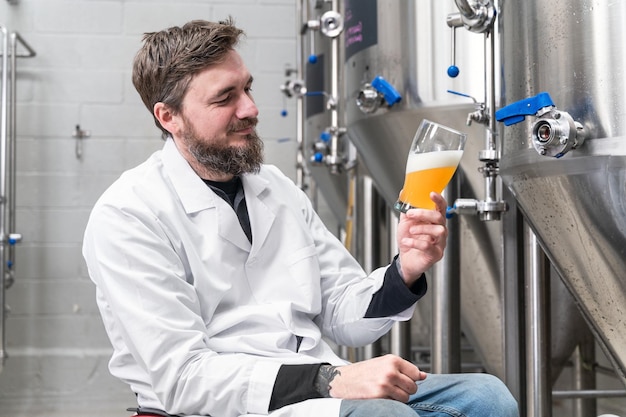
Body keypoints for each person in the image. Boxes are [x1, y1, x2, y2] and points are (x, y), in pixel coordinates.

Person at [82, 18, 519, 417]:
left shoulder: (275, 187)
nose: (250, 109)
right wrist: (331, 380)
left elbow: (340, 310)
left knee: (486, 397)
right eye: (225, 98)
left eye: (248, 88)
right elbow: (183, 378)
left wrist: (406, 268)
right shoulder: (129, 214)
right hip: (222, 403)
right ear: (169, 116)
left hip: (316, 387)